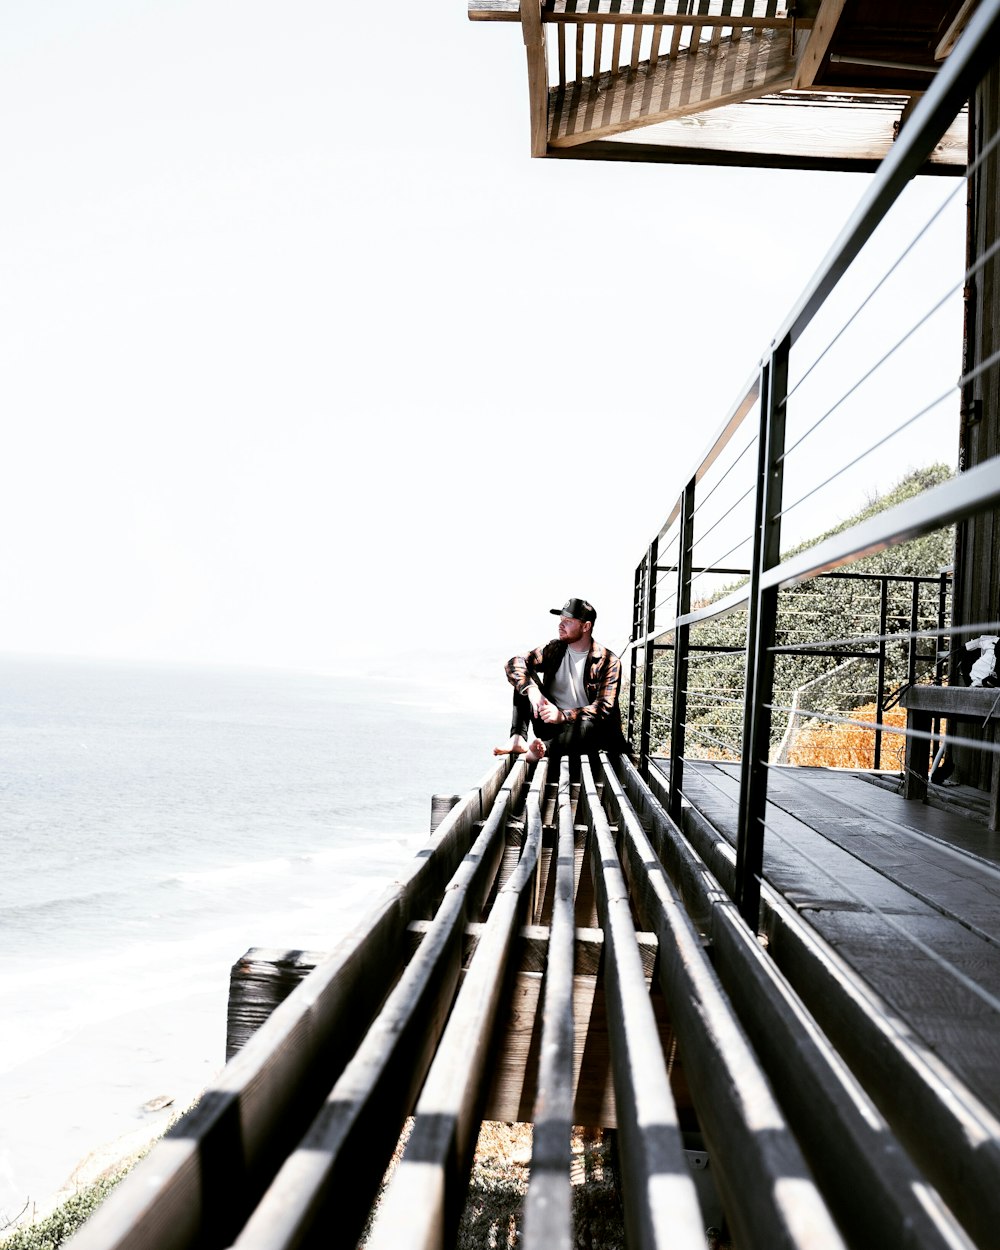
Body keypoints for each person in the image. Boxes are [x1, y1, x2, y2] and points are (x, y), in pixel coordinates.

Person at [495, 597, 629, 762]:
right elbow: (514, 662)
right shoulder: (555, 649)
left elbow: (603, 709)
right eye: (560, 620)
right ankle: (518, 738)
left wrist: (563, 715)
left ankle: (544, 749)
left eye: (568, 621)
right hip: (551, 727)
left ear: (586, 626)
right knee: (524, 678)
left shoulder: (608, 661)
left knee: (590, 725)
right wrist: (532, 691)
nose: (560, 625)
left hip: (585, 732)